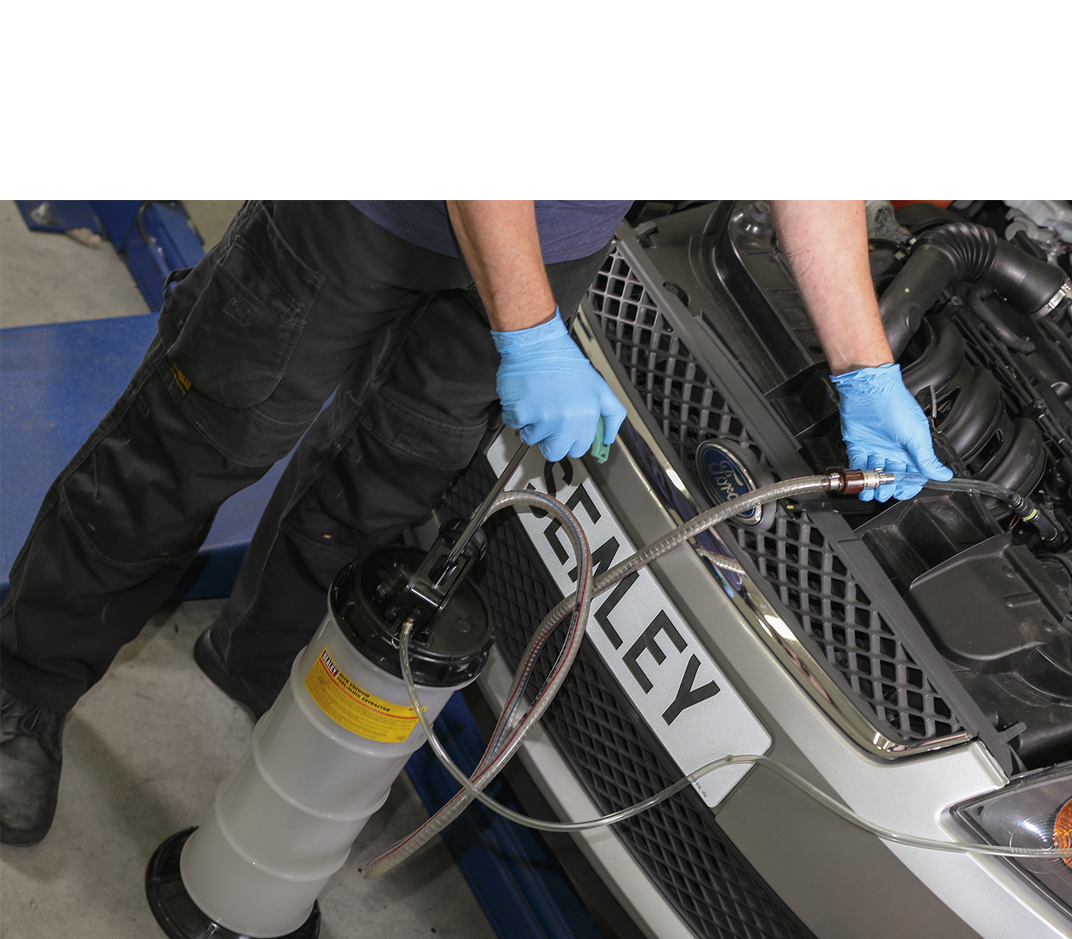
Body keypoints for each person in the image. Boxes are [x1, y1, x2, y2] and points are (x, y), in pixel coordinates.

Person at [0, 200, 951, 846]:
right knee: (200, 440)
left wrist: (864, 369)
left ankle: (266, 661)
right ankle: (26, 683)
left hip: (561, 235)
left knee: (392, 475)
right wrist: (528, 333)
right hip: (367, 209)